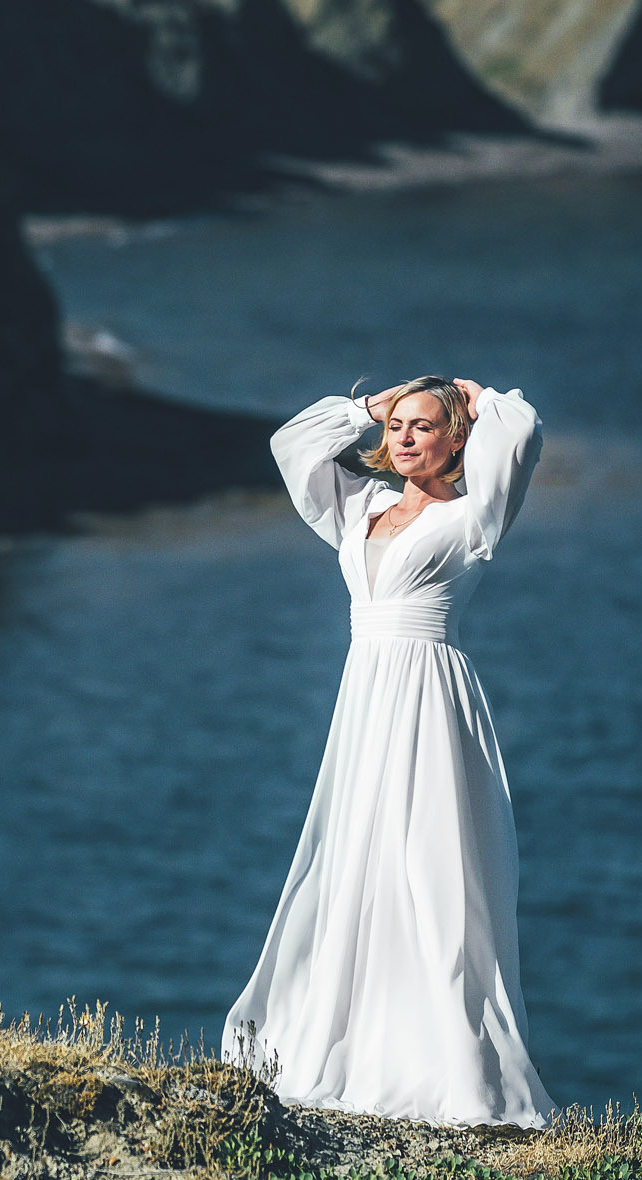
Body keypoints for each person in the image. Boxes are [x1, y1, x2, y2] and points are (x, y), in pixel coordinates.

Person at [221, 376, 554, 1128]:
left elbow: (523, 435)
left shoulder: (475, 516)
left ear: (456, 439)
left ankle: (450, 1065)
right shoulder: (358, 507)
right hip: (365, 700)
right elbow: (290, 445)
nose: (405, 437)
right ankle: (353, 1033)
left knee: (433, 874)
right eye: (398, 426)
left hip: (431, 701)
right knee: (355, 867)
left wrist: (476, 391)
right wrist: (370, 405)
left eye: (424, 426)